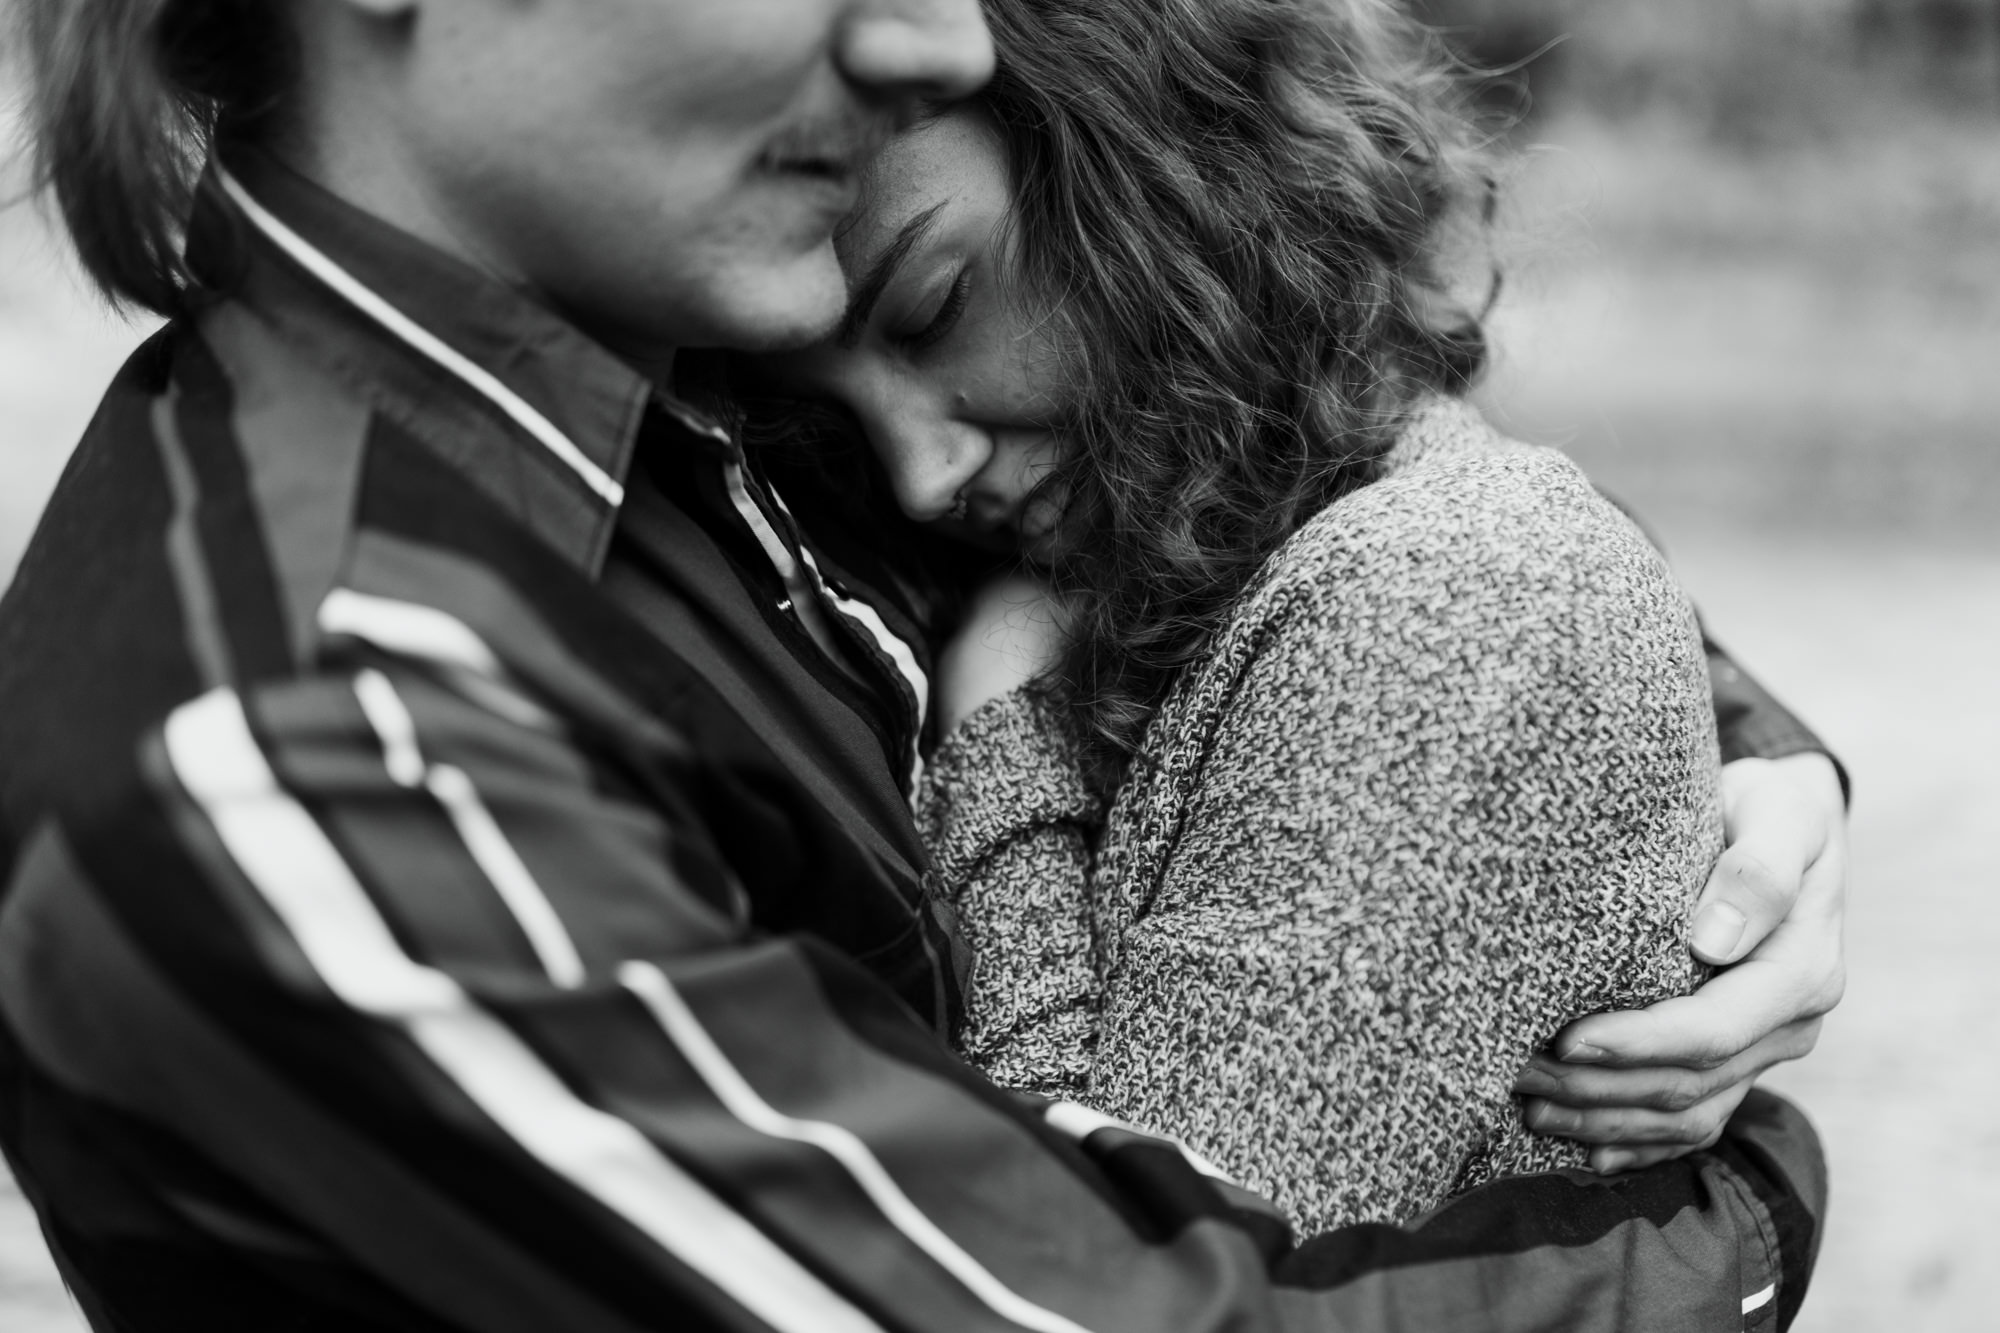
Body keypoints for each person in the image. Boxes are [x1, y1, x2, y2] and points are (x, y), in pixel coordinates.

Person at [0, 1, 1836, 1330]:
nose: (937, 37)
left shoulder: (698, 332)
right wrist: (1740, 1210)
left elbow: (1348, 510)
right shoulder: (331, 739)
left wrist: (1757, 785)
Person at [744, 0, 1851, 1235]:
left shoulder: (1444, 604)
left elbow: (1129, 1267)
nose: (918, 476)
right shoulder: (1214, 548)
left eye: (934, 305)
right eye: (831, 425)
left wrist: (1006, 744)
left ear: (1146, 161)